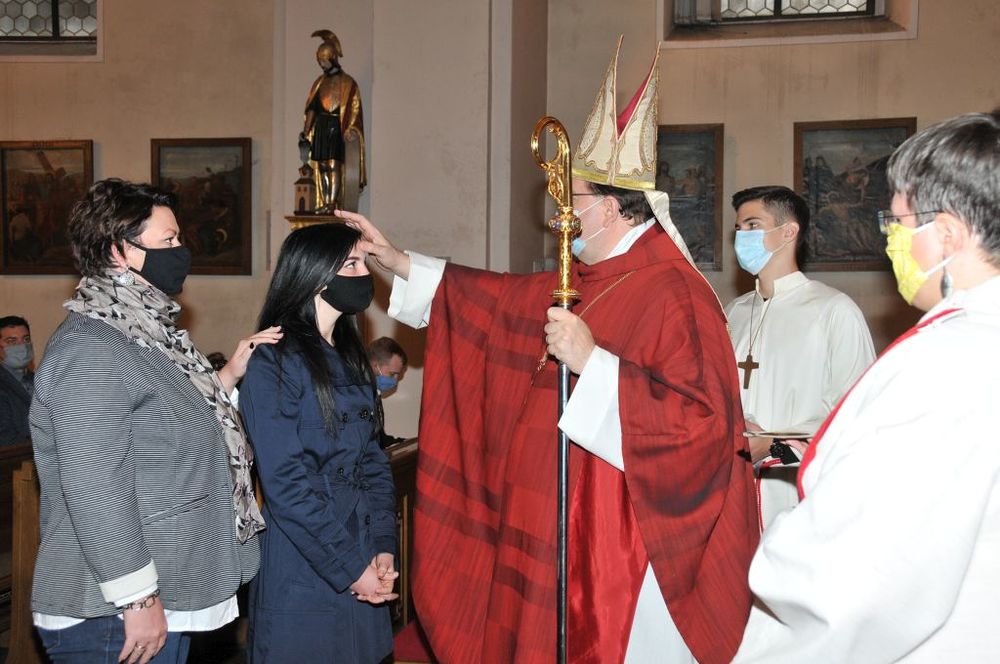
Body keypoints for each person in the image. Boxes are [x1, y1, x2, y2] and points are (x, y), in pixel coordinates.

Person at [337, 38, 759, 664]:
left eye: (575, 200)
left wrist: (595, 364)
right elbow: (494, 302)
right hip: (552, 520)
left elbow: (700, 430)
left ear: (611, 208)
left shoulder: (675, 293)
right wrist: (398, 261)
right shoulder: (590, 275)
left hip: (619, 544)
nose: (564, 214)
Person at [735, 112, 1000, 661]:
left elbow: (853, 574)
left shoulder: (942, 359)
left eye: (897, 222)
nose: (889, 241)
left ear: (948, 234)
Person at [29, 179, 281, 664]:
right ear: (118, 251)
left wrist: (227, 377)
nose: (182, 250)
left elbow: (166, 425)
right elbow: (95, 485)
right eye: (169, 240)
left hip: (164, 587)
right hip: (109, 611)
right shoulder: (90, 348)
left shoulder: (146, 335)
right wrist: (137, 598)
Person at [241, 223, 398, 663]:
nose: (364, 274)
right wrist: (349, 568)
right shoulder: (273, 360)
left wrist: (383, 545)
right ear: (314, 275)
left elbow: (373, 462)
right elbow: (285, 483)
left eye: (363, 263)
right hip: (308, 557)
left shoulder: (351, 357)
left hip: (361, 548)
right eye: (351, 264)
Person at [725, 186, 875, 529]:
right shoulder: (733, 312)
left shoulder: (834, 311)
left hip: (798, 492)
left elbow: (858, 418)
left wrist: (774, 446)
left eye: (752, 225)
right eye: (738, 228)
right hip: (732, 486)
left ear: (788, 232)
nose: (742, 237)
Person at [300, 29, 366, 213]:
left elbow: (354, 110)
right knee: (322, 165)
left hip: (337, 127)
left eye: (324, 60)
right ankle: (324, 201)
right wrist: (306, 130)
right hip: (321, 127)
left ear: (333, 58)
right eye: (319, 61)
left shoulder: (348, 83)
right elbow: (312, 108)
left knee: (333, 164)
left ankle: (332, 202)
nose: (322, 64)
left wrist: (351, 128)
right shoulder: (319, 83)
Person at [368, 336, 408, 448]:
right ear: (375, 366)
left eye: (398, 375)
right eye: (392, 374)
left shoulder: (374, 393)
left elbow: (378, 439)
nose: (395, 380)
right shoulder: (355, 396)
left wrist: (404, 443)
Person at [0, 315, 33, 445]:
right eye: (11, 341)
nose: (22, 346)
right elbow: (5, 438)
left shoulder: (41, 380)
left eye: (26, 339)